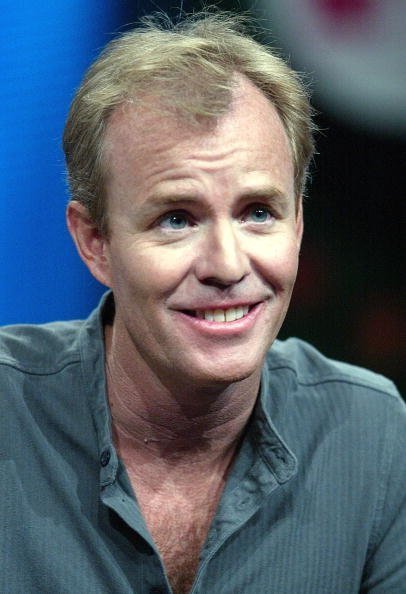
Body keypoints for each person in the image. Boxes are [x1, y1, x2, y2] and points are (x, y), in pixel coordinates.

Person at [1, 12, 405, 594]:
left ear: (297, 226)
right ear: (95, 244)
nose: (227, 265)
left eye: (258, 212)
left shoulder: (373, 438)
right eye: (176, 219)